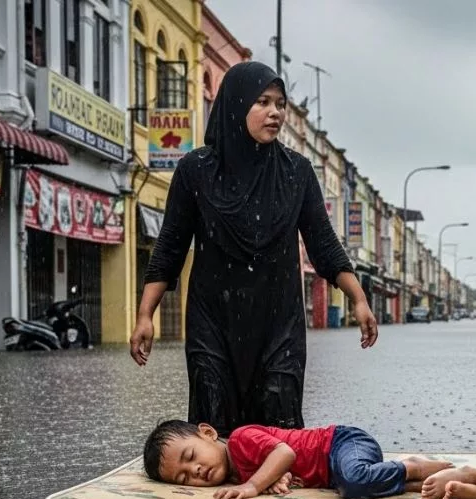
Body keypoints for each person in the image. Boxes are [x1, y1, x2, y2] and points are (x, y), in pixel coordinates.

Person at [130, 61, 377, 435]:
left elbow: (323, 244)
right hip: (213, 321)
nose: (275, 112)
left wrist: (358, 299)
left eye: (280, 103)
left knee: (279, 428)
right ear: (235, 104)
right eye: (262, 101)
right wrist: (145, 315)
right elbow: (169, 248)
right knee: (213, 432)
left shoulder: (297, 172)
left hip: (279, 323)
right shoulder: (195, 170)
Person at [143, 420, 453, 499]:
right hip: (336, 474)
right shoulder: (233, 476)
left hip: (343, 443)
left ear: (208, 434)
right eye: (184, 478)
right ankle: (412, 481)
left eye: (190, 456)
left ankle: (413, 465)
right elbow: (283, 467)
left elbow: (285, 453)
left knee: (354, 480)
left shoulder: (240, 439)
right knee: (351, 488)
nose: (195, 470)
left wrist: (254, 486)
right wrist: (278, 479)